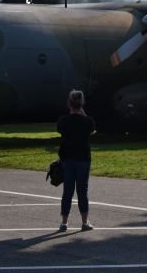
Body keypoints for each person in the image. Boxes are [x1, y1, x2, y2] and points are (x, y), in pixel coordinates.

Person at [57, 89, 96, 232]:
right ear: (81, 104)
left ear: (69, 104)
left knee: (67, 191)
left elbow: (61, 129)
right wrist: (82, 113)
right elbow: (92, 128)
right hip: (83, 159)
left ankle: (64, 222)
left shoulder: (63, 121)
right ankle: (84, 222)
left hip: (67, 158)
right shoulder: (87, 121)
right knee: (82, 191)